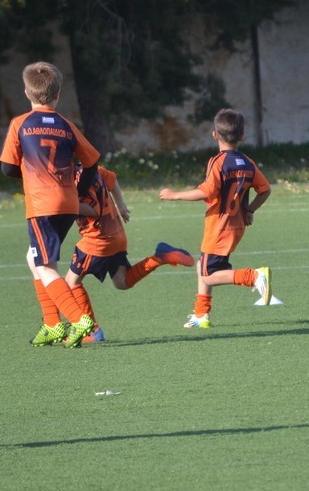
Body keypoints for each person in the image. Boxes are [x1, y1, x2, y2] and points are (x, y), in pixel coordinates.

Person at [0, 61, 101, 348]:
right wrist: (78, 192)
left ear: (26, 93)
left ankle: (78, 319)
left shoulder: (20, 123)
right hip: (67, 203)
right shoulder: (67, 125)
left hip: (42, 205)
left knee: (43, 265)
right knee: (35, 259)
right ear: (57, 94)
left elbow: (7, 168)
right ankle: (52, 324)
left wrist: (31, 172)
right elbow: (92, 162)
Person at [47, 164, 194, 345]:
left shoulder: (75, 180)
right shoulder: (92, 169)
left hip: (97, 240)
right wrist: (121, 206)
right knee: (122, 281)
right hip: (116, 234)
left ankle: (92, 331)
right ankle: (160, 258)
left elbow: (94, 210)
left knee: (71, 282)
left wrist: (66, 204)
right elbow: (113, 180)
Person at [159, 108, 272, 328]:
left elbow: (207, 191)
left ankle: (254, 277)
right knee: (203, 266)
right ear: (242, 136)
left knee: (209, 275)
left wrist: (175, 195)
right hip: (236, 226)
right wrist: (249, 210)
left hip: (219, 227)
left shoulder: (218, 162)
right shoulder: (247, 162)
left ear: (214, 135)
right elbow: (265, 190)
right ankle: (201, 315)